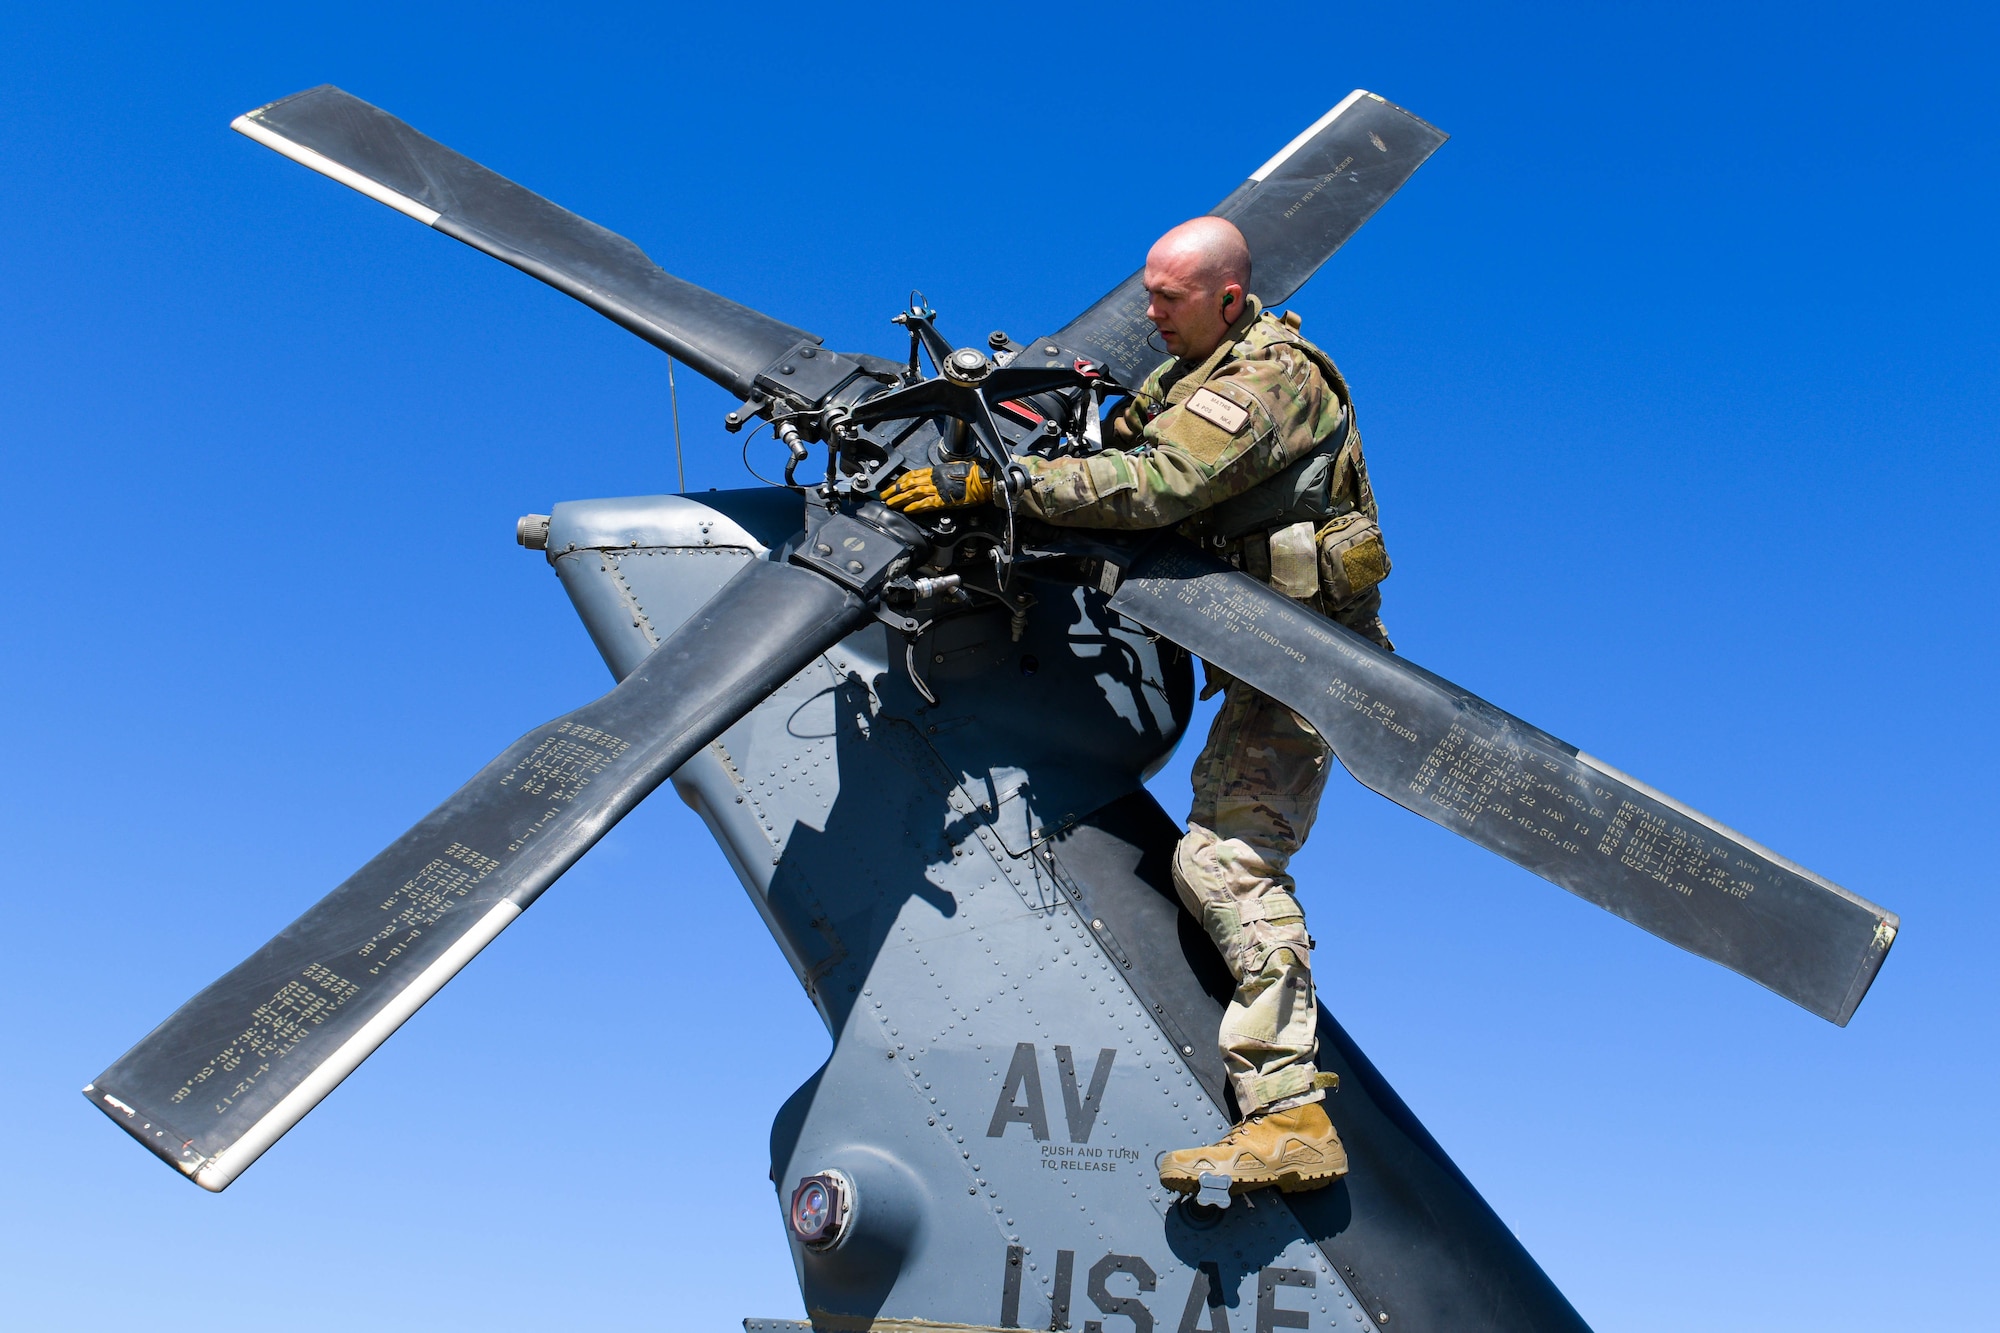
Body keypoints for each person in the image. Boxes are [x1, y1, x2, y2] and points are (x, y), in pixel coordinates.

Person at [881, 217, 1391, 1198]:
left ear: (1227, 301)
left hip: (1307, 665)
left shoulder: (1273, 380)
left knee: (1222, 861)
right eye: (1146, 291)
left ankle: (1288, 1119)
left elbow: (1158, 481)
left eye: (1167, 298)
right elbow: (1114, 441)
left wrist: (995, 485)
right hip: (1247, 657)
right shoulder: (1180, 374)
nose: (1146, 312)